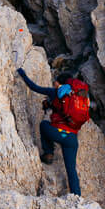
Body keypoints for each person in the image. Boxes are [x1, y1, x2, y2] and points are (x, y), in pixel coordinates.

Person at [16, 67, 90, 196]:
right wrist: (50, 105)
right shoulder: (76, 97)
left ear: (60, 83)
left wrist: (22, 73)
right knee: (71, 170)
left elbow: (34, 87)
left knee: (44, 125)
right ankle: (77, 197)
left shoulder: (56, 92)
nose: (53, 83)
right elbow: (63, 111)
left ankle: (48, 153)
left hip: (59, 133)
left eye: (55, 81)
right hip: (72, 138)